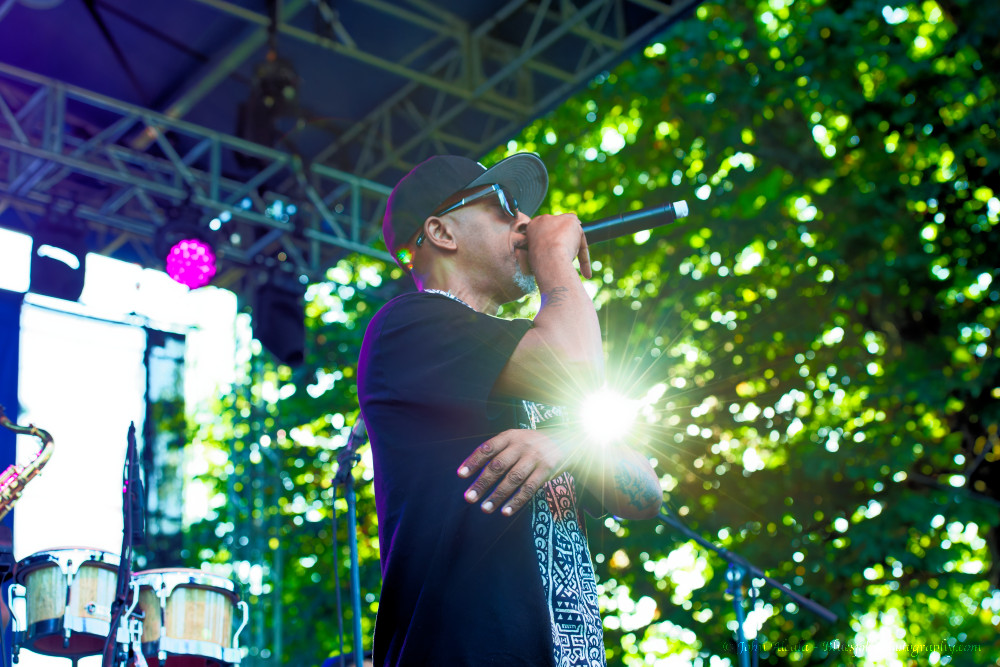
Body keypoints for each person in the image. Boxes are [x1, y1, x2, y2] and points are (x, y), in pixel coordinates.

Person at [357, 153, 662, 666]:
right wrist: (553, 260)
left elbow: (644, 494)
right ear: (441, 231)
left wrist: (569, 443)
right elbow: (578, 363)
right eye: (502, 206)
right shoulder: (410, 327)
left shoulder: (520, 358)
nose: (524, 222)